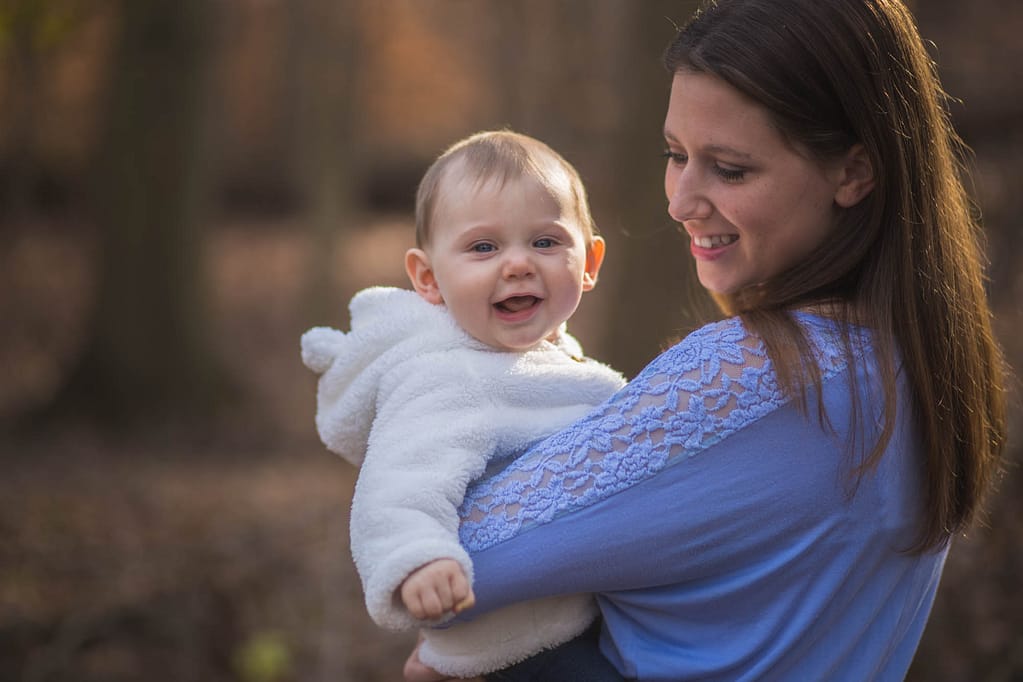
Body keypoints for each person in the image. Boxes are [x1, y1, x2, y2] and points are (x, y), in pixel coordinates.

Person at [403, 1, 1007, 680]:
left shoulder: (760, 377)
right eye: (675, 155)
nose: (680, 200)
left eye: (729, 169)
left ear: (852, 172)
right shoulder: (921, 369)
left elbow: (431, 563)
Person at [301, 130, 628, 679]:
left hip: (572, 617)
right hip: (519, 646)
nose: (519, 264)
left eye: (546, 242)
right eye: (484, 247)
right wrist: (419, 558)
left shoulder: (554, 362)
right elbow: (399, 483)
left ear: (589, 260)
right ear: (428, 278)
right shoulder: (446, 378)